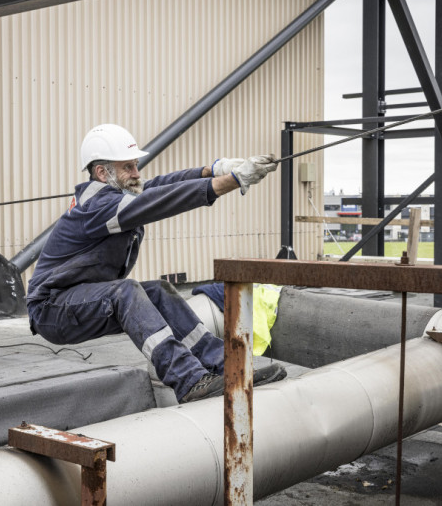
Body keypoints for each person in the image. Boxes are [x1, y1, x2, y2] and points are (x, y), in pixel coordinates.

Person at [26, 123, 277, 403]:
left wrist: (212, 170)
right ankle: (189, 380)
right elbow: (162, 200)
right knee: (126, 292)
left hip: (77, 298)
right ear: (101, 172)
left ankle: (227, 365)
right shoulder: (99, 206)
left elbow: (159, 185)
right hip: (52, 309)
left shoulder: (115, 193)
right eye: (128, 168)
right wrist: (232, 180)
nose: (137, 174)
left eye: (136, 165)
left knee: (158, 291)